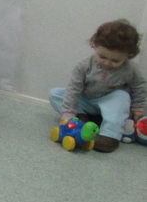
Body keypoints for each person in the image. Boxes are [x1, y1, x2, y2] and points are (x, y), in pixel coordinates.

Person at [48, 19, 145, 153]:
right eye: (102, 56)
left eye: (115, 60)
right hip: (87, 101)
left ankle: (109, 136)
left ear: (129, 55)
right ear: (95, 46)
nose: (107, 63)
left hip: (109, 102)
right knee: (56, 93)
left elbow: (139, 86)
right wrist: (68, 112)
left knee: (122, 96)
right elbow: (73, 89)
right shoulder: (84, 66)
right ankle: (81, 119)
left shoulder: (131, 69)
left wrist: (138, 107)